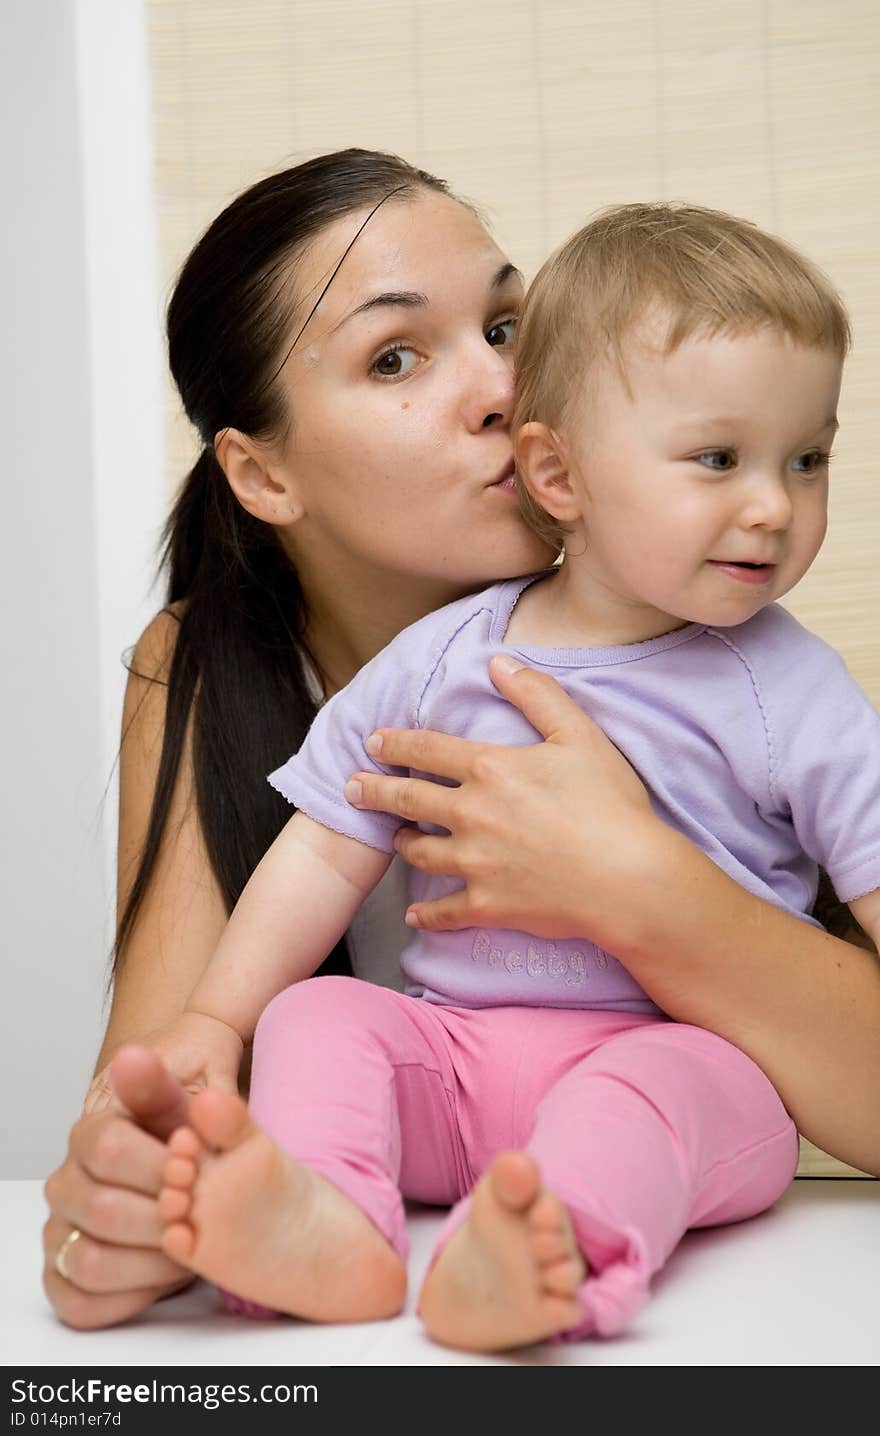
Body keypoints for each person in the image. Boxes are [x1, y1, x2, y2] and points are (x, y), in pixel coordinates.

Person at [41, 152, 880, 1337]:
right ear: (262, 471)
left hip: (667, 1111)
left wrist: (634, 879)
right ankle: (327, 1230)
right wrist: (127, 1206)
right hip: (450, 1086)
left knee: (647, 1097)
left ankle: (559, 1246)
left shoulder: (747, 666)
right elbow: (172, 1072)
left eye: (505, 322)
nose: (501, 383)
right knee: (312, 1022)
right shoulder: (221, 664)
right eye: (396, 356)